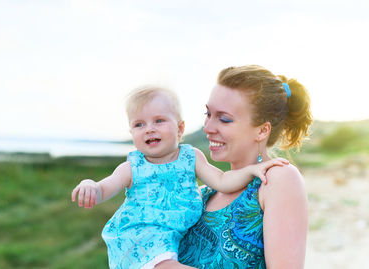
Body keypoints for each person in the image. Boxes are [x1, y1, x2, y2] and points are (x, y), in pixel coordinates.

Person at [71, 85, 288, 269]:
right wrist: (89, 185)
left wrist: (251, 171)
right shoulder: (132, 167)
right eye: (139, 124)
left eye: (159, 121)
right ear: (131, 133)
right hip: (140, 238)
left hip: (170, 239)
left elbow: (222, 181)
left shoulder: (191, 157)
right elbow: (104, 189)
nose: (149, 129)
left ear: (180, 128)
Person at [157, 65, 313, 269]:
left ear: (262, 130)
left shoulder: (278, 180)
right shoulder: (202, 194)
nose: (208, 127)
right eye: (208, 114)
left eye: (224, 119)